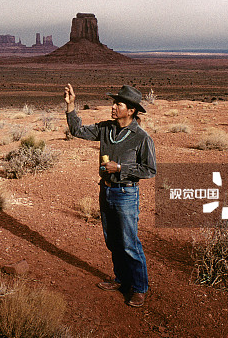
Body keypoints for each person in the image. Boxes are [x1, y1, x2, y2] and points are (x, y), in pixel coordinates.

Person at [64, 83, 156, 307]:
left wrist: (122, 168)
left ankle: (140, 288)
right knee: (113, 240)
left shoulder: (141, 138)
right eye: (114, 103)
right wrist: (71, 106)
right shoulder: (106, 129)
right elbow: (78, 131)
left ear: (131, 110)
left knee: (129, 243)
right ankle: (122, 279)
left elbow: (150, 169)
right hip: (105, 190)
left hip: (126, 193)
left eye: (118, 104)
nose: (113, 107)